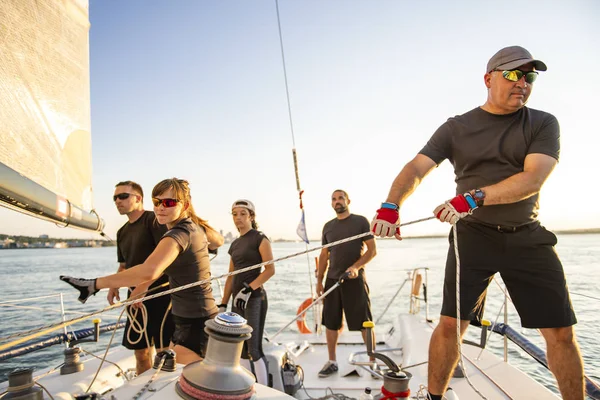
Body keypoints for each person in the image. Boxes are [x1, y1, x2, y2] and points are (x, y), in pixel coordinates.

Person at [370, 46, 584, 400]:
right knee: (452, 325)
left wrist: (473, 198)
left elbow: (533, 179)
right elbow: (416, 168)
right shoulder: (456, 128)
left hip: (527, 238)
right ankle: (434, 397)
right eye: (514, 74)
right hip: (473, 238)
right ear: (489, 79)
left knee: (561, 333)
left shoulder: (543, 123)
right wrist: (391, 206)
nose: (523, 84)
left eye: (529, 77)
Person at [61, 178, 224, 365]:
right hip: (187, 320)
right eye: (157, 202)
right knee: (166, 376)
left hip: (196, 322)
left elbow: (150, 270)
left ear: (185, 205)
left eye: (169, 202)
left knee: (169, 377)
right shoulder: (186, 228)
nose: (161, 207)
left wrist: (94, 284)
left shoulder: (180, 233)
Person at [110, 180, 173, 375]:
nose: (117, 201)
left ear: (138, 199)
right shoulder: (122, 232)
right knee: (141, 353)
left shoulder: (154, 221)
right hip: (135, 299)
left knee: (164, 352)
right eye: (115, 198)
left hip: (159, 294)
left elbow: (166, 260)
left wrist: (144, 286)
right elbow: (124, 265)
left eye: (123, 196)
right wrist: (114, 285)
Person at [316, 189, 377, 378]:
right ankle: (332, 361)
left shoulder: (360, 221)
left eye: (340, 198)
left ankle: (372, 361)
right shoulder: (328, 227)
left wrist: (356, 267)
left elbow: (372, 251)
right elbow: (324, 255)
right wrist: (319, 281)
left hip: (354, 280)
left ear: (348, 200)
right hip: (332, 281)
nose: (337, 201)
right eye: (333, 199)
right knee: (331, 323)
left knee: (364, 323)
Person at [219, 199, 275, 385]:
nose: (238, 218)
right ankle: (243, 387)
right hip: (237, 300)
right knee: (240, 348)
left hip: (254, 298)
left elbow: (269, 270)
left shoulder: (260, 238)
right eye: (235, 214)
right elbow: (230, 277)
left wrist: (248, 289)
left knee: (254, 348)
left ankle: (265, 391)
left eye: (243, 214)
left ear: (251, 216)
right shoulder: (234, 245)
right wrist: (223, 303)